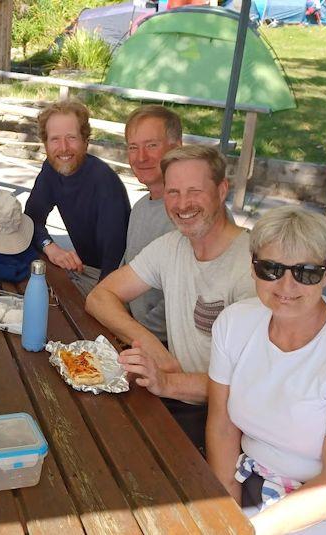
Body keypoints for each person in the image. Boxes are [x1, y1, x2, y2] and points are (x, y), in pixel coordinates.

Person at [207, 206, 326, 534]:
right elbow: (221, 423)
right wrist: (226, 503)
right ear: (253, 268)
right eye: (271, 269)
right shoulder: (234, 323)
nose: (286, 286)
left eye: (306, 272)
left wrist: (246, 531)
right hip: (256, 477)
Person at [86, 145, 254, 451]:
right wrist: (149, 342)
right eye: (173, 192)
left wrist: (167, 383)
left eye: (194, 191)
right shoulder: (173, 245)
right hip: (180, 398)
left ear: (222, 190)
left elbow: (247, 386)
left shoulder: (252, 267)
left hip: (230, 423)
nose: (182, 204)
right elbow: (100, 296)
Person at [24, 98, 131, 296]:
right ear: (45, 144)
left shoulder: (104, 182)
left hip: (114, 277)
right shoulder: (51, 169)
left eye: (71, 138)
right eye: (55, 139)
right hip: (84, 269)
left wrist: (97, 307)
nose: (63, 148)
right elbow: (29, 221)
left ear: (85, 141)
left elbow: (113, 260)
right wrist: (51, 247)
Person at [121, 105, 183, 343]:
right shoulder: (139, 208)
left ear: (175, 148)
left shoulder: (189, 214)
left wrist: (129, 338)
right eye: (133, 147)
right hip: (132, 331)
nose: (141, 157)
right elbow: (124, 275)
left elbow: (178, 305)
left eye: (152, 145)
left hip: (164, 346)